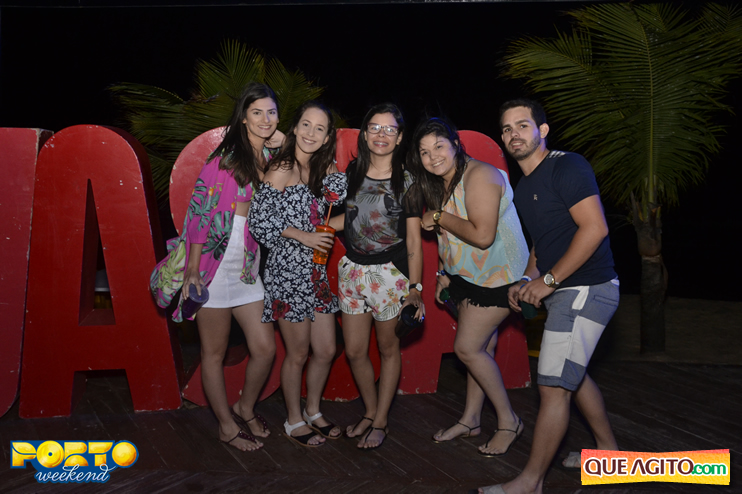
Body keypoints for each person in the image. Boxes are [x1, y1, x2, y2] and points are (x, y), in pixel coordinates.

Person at [476, 99, 619, 494]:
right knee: (571, 373)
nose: (514, 134)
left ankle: (530, 482)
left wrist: (550, 281)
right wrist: (528, 277)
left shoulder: (567, 166)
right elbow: (544, 243)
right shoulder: (524, 187)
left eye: (522, 125)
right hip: (565, 289)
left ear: (542, 130)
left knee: (553, 385)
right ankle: (609, 455)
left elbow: (595, 229)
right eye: (507, 128)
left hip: (588, 288)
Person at [168, 82, 282, 452]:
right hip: (213, 267)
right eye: (256, 112)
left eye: (271, 112)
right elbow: (199, 213)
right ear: (243, 117)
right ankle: (226, 426)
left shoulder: (269, 156)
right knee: (213, 353)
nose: (265, 119)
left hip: (247, 269)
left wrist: (277, 138)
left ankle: (245, 407)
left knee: (265, 348)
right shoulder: (226, 158)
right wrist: (192, 269)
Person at [411, 117, 529, 457]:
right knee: (482, 350)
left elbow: (482, 235)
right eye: (424, 152)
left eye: (439, 146)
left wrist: (437, 217)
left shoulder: (480, 175)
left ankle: (509, 422)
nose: (432, 157)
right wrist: (444, 274)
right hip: (468, 278)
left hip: (500, 278)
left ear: (455, 145)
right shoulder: (444, 181)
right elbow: (452, 239)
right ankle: (471, 420)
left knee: (467, 349)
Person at [249, 101, 347, 448]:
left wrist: (336, 222)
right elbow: (259, 221)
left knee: (327, 349)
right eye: (306, 124)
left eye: (320, 129)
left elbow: (331, 213)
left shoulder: (319, 169)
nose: (311, 133)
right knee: (298, 352)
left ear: (327, 137)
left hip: (315, 272)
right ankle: (293, 419)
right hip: (287, 272)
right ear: (294, 127)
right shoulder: (283, 166)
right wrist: (304, 236)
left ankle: (313, 410)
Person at [333, 103, 425, 449]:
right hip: (352, 271)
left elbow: (414, 240)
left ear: (399, 137)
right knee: (355, 351)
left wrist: (415, 289)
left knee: (388, 349)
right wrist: (314, 229)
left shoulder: (408, 180)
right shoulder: (353, 171)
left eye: (389, 129)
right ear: (365, 133)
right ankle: (370, 411)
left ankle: (382, 420)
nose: (381, 134)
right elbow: (352, 218)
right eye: (374, 127)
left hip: (390, 274)